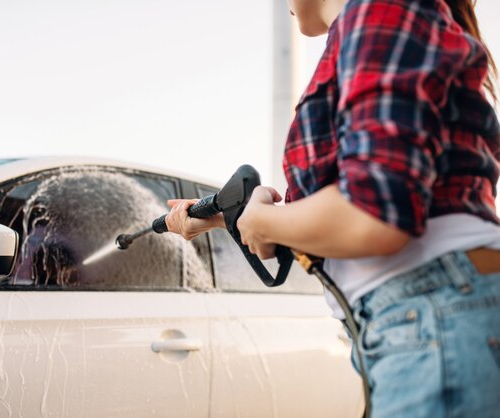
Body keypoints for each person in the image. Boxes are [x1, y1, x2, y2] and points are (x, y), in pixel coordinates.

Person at [164, 0, 500, 416]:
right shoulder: (369, 22)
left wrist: (267, 222)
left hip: (434, 311)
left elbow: (374, 211)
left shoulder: (379, 9)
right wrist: (221, 219)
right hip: (427, 314)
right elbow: (356, 206)